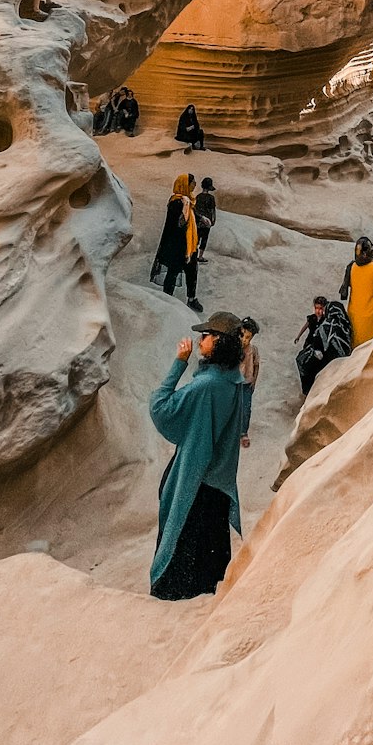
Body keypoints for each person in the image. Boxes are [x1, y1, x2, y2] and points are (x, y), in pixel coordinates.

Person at [148, 312, 251, 600]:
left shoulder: (206, 386)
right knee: (210, 558)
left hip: (197, 482)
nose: (199, 339)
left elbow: (161, 407)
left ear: (218, 342)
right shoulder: (233, 381)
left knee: (182, 554)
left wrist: (179, 363)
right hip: (216, 483)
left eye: (206, 336)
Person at [150, 174, 204, 312]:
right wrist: (185, 209)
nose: (194, 184)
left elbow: (192, 215)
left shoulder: (188, 201)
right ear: (185, 184)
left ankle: (191, 299)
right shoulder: (176, 202)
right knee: (173, 273)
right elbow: (178, 224)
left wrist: (201, 218)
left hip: (189, 247)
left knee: (192, 273)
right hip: (177, 247)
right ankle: (167, 299)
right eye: (192, 182)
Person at [295, 296, 352, 395]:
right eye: (316, 308)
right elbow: (308, 327)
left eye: (320, 308)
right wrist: (299, 336)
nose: (318, 311)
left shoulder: (328, 322)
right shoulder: (316, 319)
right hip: (314, 345)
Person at [340, 237, 373, 346]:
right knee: (370, 345)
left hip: (354, 315)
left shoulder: (353, 266)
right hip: (371, 318)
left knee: (356, 344)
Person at [239, 316, 260, 446]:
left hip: (247, 384)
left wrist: (254, 381)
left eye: (248, 338)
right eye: (243, 337)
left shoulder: (253, 350)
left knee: (246, 408)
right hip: (234, 383)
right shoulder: (234, 350)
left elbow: (256, 365)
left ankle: (243, 432)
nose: (245, 341)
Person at [195, 177, 217, 259]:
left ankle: (194, 254)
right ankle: (200, 256)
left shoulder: (198, 196)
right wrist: (213, 220)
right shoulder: (211, 198)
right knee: (204, 239)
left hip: (199, 221)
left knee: (196, 238)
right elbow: (212, 210)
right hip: (207, 222)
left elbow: (196, 209)